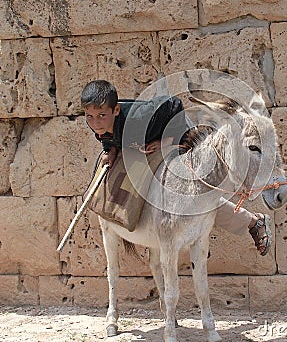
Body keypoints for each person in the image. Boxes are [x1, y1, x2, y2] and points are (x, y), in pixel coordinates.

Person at [81, 79, 271, 256]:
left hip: (176, 135)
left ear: (114, 111)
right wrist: (110, 149)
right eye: (90, 117)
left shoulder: (138, 118)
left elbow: (173, 104)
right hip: (145, 148)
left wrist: (166, 141)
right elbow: (105, 134)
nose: (95, 122)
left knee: (193, 195)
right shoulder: (97, 120)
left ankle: (253, 222)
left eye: (101, 116)